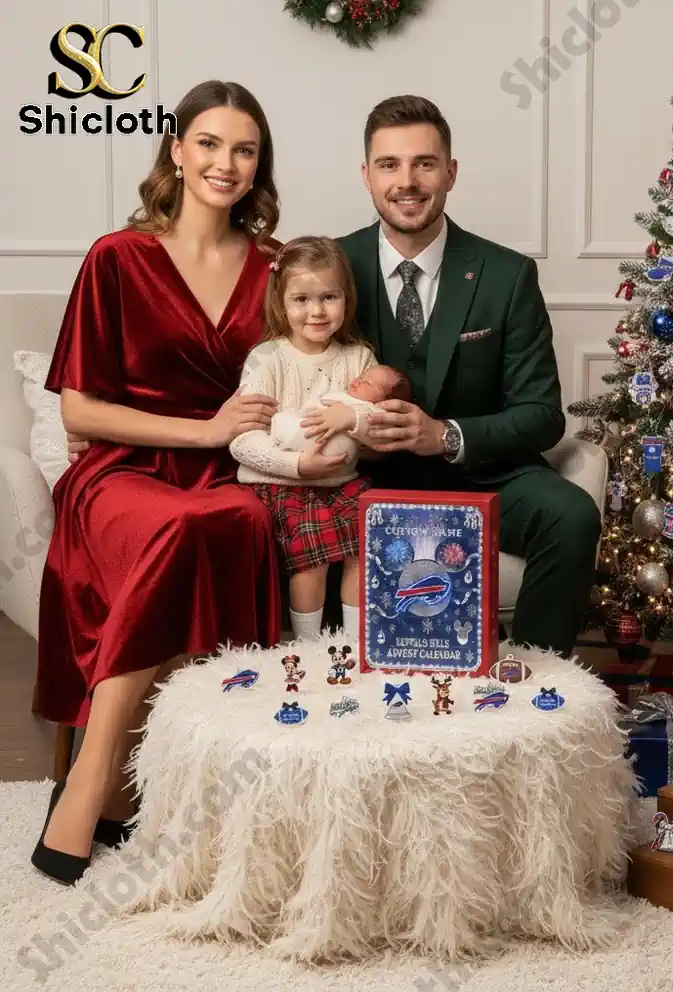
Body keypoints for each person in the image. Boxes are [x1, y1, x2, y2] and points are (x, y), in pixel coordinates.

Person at [31, 80, 291, 886]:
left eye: (243, 149)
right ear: (175, 151)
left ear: (259, 166)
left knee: (242, 522)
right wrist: (204, 428)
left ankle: (142, 784)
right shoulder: (120, 256)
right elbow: (80, 407)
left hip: (230, 472)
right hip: (120, 472)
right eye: (208, 144)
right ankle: (96, 774)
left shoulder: (279, 268)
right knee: (178, 527)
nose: (225, 163)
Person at [336, 95, 602, 658]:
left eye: (424, 163)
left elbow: (542, 414)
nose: (406, 181)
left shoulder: (506, 274)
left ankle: (537, 686)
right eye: (389, 165)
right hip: (357, 479)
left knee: (572, 514)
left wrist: (446, 436)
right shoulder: (330, 266)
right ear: (366, 175)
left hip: (478, 476)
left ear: (451, 172)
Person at [229, 236, 408, 641]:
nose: (317, 311)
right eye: (302, 300)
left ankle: (355, 642)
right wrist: (297, 465)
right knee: (312, 558)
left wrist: (353, 418)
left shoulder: (358, 358)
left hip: (342, 482)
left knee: (370, 543)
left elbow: (382, 430)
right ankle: (309, 646)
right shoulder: (268, 359)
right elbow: (241, 440)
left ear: (346, 299)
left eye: (329, 297)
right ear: (281, 302)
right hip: (285, 485)